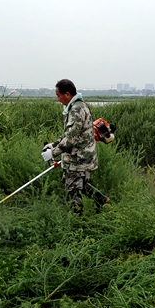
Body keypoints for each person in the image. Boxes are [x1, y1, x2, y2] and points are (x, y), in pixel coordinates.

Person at [42, 79, 109, 213]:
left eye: (58, 95)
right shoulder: (76, 107)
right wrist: (53, 145)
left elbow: (71, 139)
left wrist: (53, 153)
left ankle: (76, 219)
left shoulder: (76, 110)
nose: (58, 99)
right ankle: (103, 201)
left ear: (67, 94)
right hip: (82, 158)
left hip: (78, 160)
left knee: (73, 191)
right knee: (82, 185)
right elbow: (67, 134)